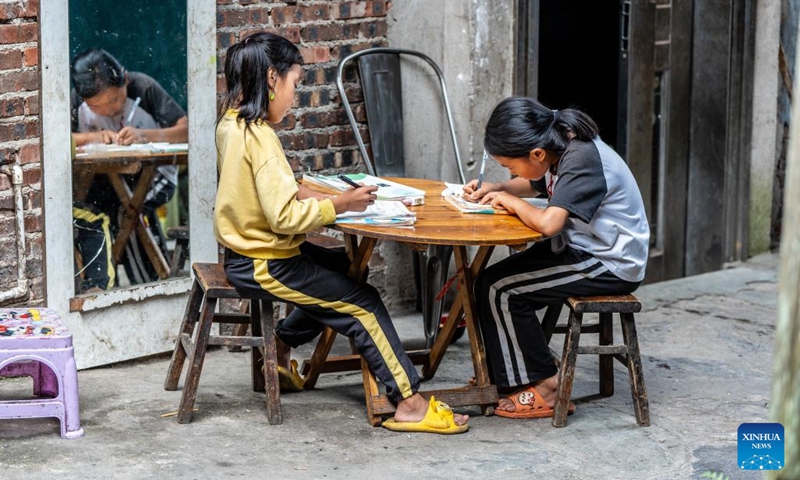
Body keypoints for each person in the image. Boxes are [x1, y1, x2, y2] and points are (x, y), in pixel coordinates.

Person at [213, 32, 468, 434]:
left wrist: (319, 193)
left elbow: (268, 188)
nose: (295, 96)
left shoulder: (233, 124)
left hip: (248, 252)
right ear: (271, 79)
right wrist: (341, 205)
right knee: (362, 303)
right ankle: (409, 402)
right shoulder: (259, 138)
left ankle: (280, 344)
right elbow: (283, 219)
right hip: (264, 262)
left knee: (345, 265)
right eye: (295, 84)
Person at [463, 96, 649, 419]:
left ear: (536, 153)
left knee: (503, 291)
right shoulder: (558, 140)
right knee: (487, 283)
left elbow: (549, 224)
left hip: (610, 260)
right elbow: (535, 182)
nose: (510, 171)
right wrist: (498, 186)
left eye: (509, 165)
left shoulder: (581, 159)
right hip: (581, 244)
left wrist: (509, 201)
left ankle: (548, 383)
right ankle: (509, 374)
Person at [69, 49, 188, 285]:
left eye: (114, 100)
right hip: (103, 182)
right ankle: (142, 281)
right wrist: (92, 138)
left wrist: (145, 135)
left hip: (156, 177)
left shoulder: (143, 87)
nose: (109, 110)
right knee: (103, 212)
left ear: (125, 79)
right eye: (96, 107)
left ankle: (149, 284)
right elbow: (61, 139)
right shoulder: (75, 100)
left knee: (128, 209)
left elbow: (187, 129)